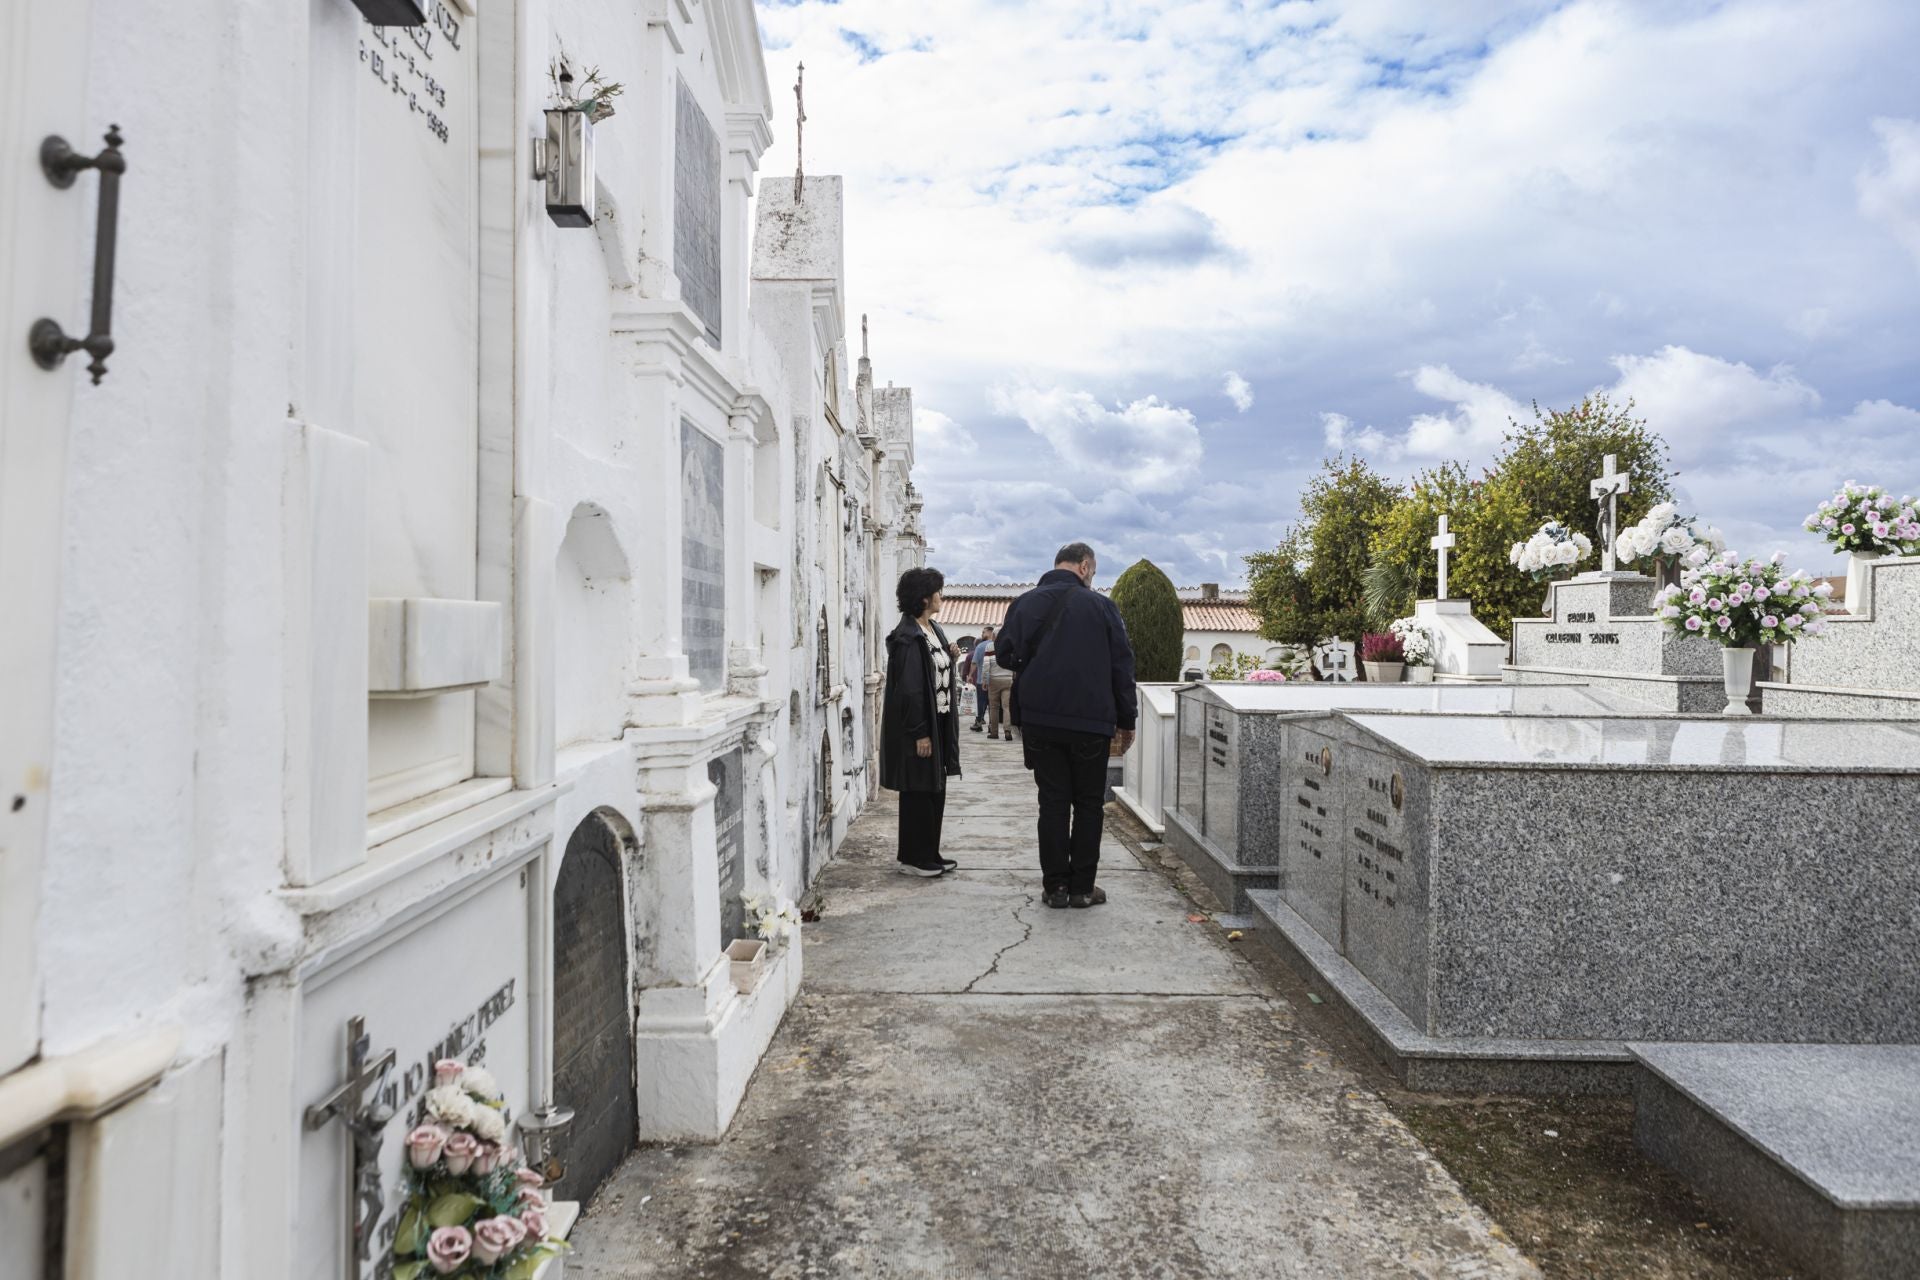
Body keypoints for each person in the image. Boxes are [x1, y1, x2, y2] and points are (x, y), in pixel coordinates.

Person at [996, 542, 1137, 909]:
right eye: (1094, 571)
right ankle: (1082, 888)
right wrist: (1127, 720)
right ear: (1085, 566)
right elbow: (1122, 666)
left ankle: (1056, 887)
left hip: (1041, 719)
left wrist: (1038, 664)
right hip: (1092, 721)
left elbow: (1005, 653)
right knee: (1089, 803)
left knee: (1053, 802)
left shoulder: (1025, 603)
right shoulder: (1102, 607)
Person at [879, 566, 962, 877]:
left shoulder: (932, 629)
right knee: (918, 791)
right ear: (924, 598)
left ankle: (930, 852)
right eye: (937, 591)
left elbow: (933, 670)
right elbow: (910, 690)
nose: (941, 596)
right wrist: (920, 732)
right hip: (921, 726)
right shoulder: (908, 637)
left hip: (937, 721)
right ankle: (914, 858)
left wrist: (951, 656)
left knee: (934, 789)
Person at [985, 636, 1016, 740]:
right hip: (1007, 679)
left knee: (994, 707)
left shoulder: (989, 646)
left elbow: (986, 665)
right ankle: (1007, 731)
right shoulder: (1010, 646)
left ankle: (994, 733)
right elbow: (1014, 662)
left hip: (994, 680)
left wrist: (985, 680)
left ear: (994, 637)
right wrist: (1013, 675)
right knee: (1006, 707)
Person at [967, 626, 995, 732]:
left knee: (980, 702)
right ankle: (992, 726)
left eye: (983, 632)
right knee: (993, 704)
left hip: (981, 680)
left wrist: (970, 675)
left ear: (989, 633)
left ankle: (978, 723)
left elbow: (974, 662)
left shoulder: (980, 646)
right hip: (995, 680)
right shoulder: (997, 645)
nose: (982, 634)